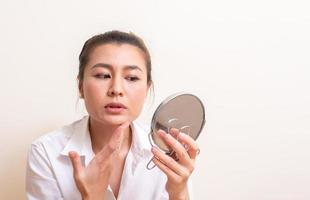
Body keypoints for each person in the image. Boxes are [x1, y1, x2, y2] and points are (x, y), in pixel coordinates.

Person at [26, 30, 200, 200]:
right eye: (103, 75)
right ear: (80, 86)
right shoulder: (46, 152)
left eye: (131, 78)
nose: (116, 89)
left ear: (147, 89)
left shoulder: (167, 152)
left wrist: (178, 192)